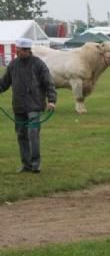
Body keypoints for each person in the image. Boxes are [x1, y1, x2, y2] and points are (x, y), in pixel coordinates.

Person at [0, 38, 57, 173]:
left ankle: (35, 164)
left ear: (27, 51)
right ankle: (26, 165)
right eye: (16, 51)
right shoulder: (13, 64)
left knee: (33, 134)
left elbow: (49, 84)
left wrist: (52, 100)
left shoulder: (39, 64)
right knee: (21, 135)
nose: (16, 53)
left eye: (19, 51)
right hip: (18, 106)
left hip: (34, 105)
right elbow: (4, 83)